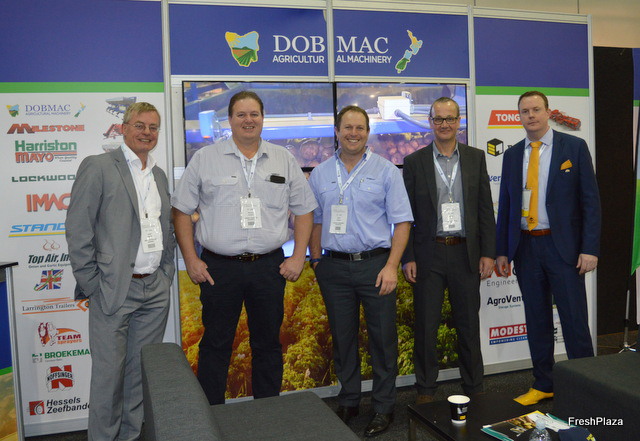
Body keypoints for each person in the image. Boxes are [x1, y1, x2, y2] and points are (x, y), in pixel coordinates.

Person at [172, 91, 317, 405]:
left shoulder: (283, 159)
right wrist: (191, 260)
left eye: (254, 114)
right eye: (241, 114)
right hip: (218, 268)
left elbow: (305, 209)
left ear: (263, 118)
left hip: (268, 267)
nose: (248, 120)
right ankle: (211, 415)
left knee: (268, 344)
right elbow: (181, 211)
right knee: (215, 344)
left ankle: (267, 413)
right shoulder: (205, 159)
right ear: (230, 119)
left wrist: (297, 256)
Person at [66, 102, 175, 441]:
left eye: (153, 127)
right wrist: (92, 284)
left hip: (154, 289)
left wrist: (166, 273)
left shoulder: (158, 174)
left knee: (139, 374)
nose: (147, 132)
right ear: (124, 128)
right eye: (140, 125)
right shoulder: (98, 166)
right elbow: (78, 229)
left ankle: (129, 436)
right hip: (113, 289)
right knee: (108, 377)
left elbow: (165, 227)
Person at [308, 105, 413, 437]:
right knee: (343, 339)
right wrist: (316, 260)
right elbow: (315, 220)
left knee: (382, 340)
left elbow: (402, 222)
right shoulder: (320, 173)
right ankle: (349, 400)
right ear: (337, 131)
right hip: (334, 268)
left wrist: (392, 266)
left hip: (376, 266)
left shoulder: (386, 171)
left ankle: (383, 407)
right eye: (347, 128)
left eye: (360, 128)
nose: (353, 134)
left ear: (368, 133)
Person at [496, 90, 601, 405]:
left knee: (574, 320)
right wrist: (503, 250)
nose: (530, 115)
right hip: (526, 248)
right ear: (519, 116)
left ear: (548, 112)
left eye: (536, 109)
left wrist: (590, 248)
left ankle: (587, 387)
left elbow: (591, 202)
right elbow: (506, 206)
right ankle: (543, 383)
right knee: (537, 319)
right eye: (524, 111)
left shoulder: (574, 147)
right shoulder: (513, 155)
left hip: (563, 248)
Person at [401, 97, 496, 404]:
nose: (444, 124)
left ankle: (474, 387)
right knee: (426, 326)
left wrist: (488, 253)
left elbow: (485, 209)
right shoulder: (414, 162)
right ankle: (426, 390)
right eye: (438, 119)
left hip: (466, 253)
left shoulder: (475, 158)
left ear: (459, 122)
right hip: (428, 254)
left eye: (450, 119)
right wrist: (408, 256)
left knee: (468, 325)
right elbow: (405, 215)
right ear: (430, 122)